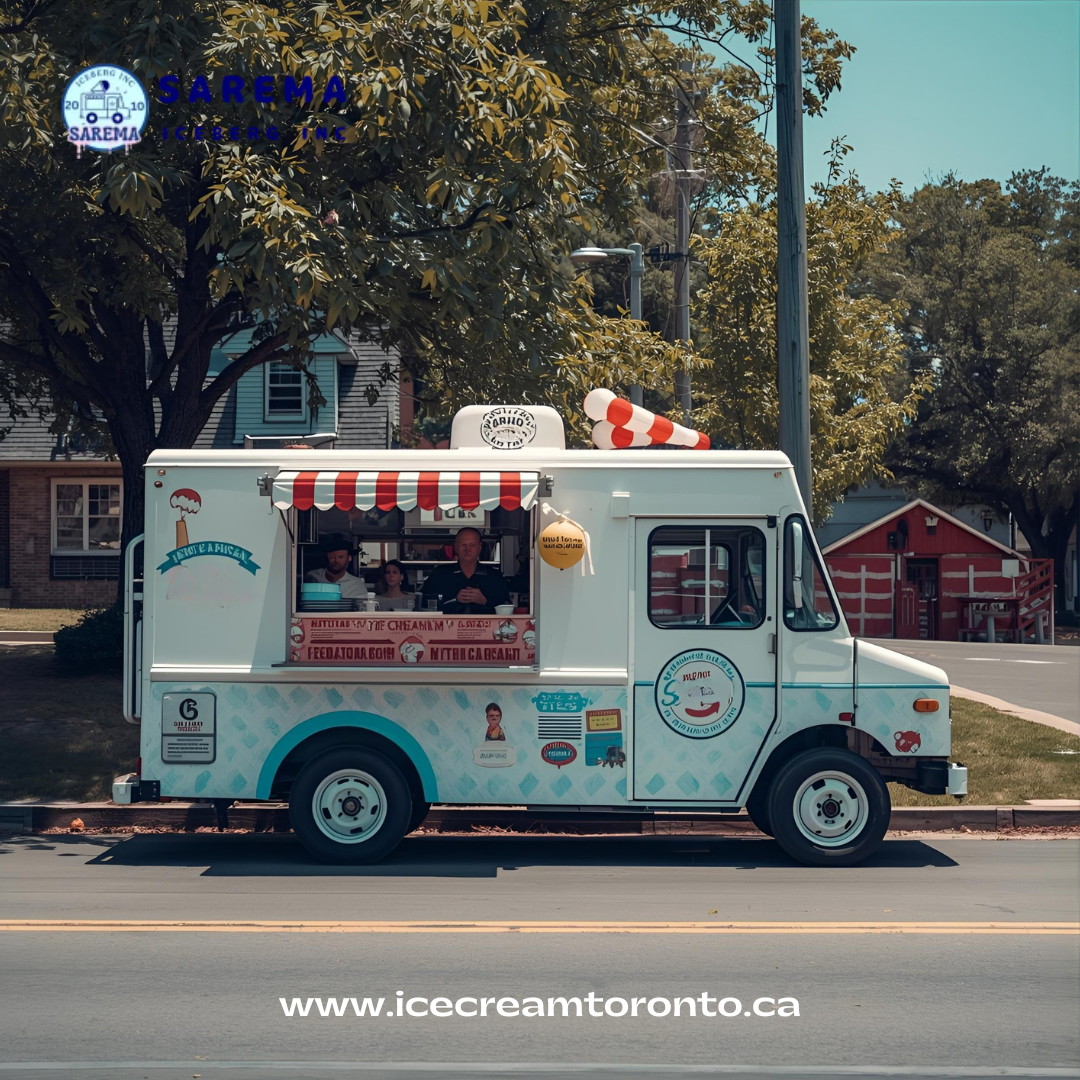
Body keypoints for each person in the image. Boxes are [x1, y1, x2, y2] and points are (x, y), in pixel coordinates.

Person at [420, 527, 509, 614]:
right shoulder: (440, 574)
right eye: (463, 545)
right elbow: (423, 604)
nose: (468, 550)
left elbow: (508, 607)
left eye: (472, 545)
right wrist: (454, 601)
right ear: (456, 547)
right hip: (448, 627)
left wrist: (485, 601)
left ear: (480, 547)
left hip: (486, 628)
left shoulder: (493, 576)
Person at [305, 535, 369, 600]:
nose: (336, 560)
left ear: (349, 558)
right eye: (332, 557)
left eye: (340, 557)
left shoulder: (356, 585)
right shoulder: (313, 577)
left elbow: (361, 608)